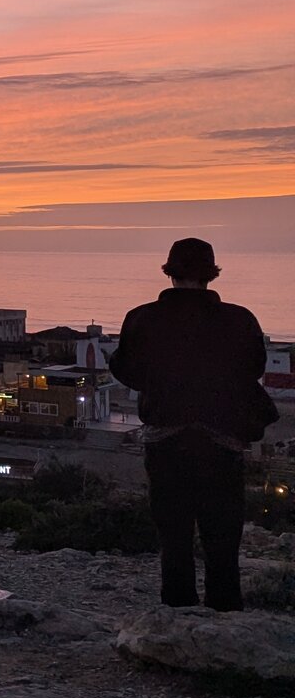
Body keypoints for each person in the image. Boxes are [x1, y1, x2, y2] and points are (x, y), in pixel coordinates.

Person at [109, 238, 273, 612]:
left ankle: (178, 615)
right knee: (223, 537)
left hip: (166, 440)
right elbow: (255, 368)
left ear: (169, 271)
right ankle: (225, 613)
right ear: (211, 273)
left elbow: (126, 369)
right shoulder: (240, 319)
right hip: (222, 441)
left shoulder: (142, 317)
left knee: (174, 537)